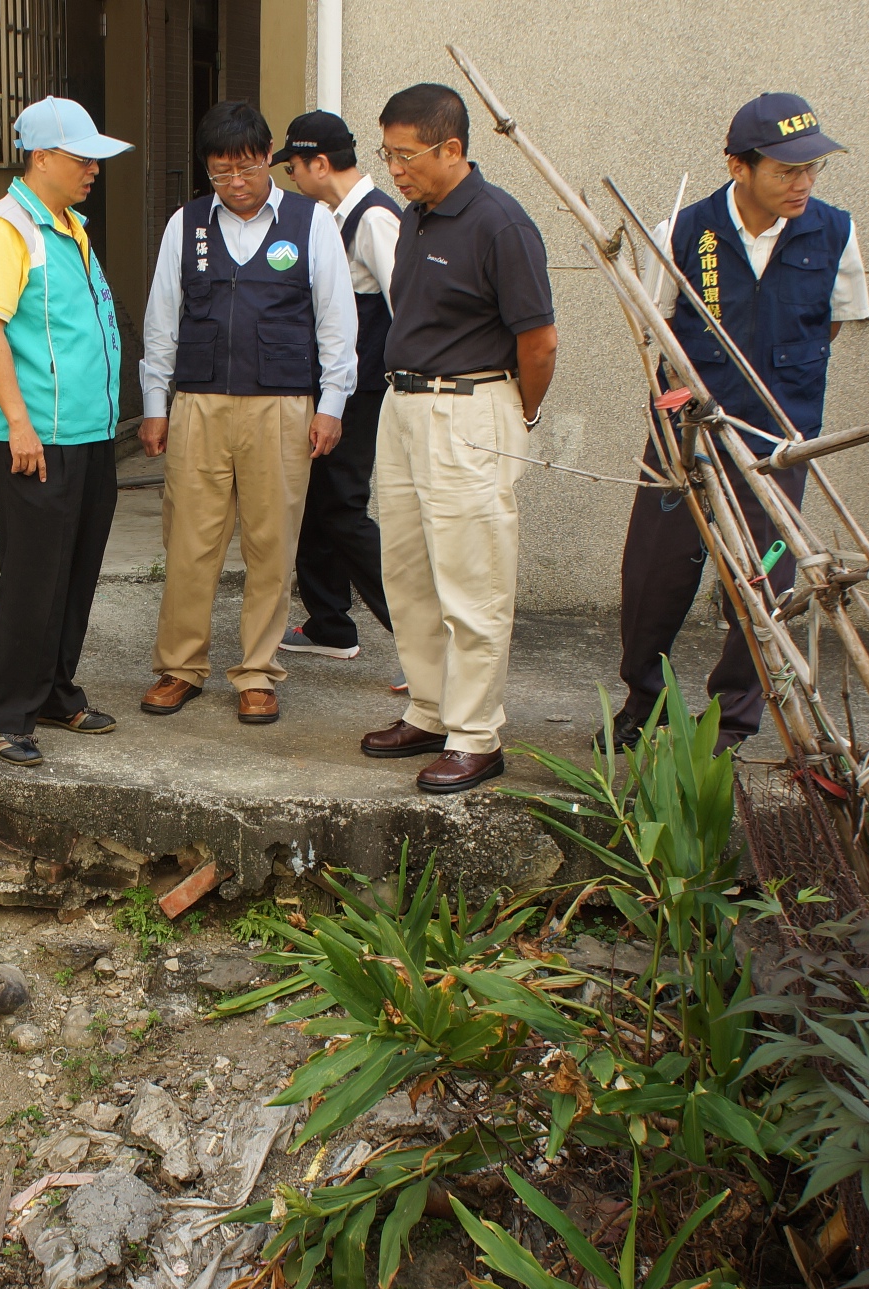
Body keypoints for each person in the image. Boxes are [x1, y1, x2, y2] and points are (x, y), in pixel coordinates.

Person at [612, 93, 869, 754]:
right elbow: (655, 325)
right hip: (685, 438)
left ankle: (731, 722)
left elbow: (834, 321)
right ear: (738, 166)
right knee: (654, 576)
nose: (804, 182)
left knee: (765, 582)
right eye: (787, 169)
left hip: (777, 445)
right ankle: (645, 701)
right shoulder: (685, 231)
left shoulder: (834, 231)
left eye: (812, 167)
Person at [355, 83, 557, 794]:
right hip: (404, 406)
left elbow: (539, 342)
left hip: (469, 408)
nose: (396, 168)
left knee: (473, 582)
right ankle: (431, 709)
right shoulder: (417, 217)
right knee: (408, 575)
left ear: (453, 148)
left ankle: (476, 734)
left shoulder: (500, 224)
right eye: (388, 154)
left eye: (406, 155)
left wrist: (516, 416)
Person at [137, 102, 356, 725]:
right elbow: (162, 323)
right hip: (200, 405)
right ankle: (180, 666)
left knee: (272, 544)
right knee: (189, 541)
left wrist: (331, 404)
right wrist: (156, 406)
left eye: (247, 166)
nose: (236, 181)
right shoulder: (185, 225)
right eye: (220, 170)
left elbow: (338, 323)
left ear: (270, 160)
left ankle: (257, 671)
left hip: (282, 405)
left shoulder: (311, 222)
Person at [0, 97, 131, 765]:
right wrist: (21, 424)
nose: (94, 168)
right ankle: (4, 712)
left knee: (75, 571)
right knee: (33, 578)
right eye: (81, 157)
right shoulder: (7, 229)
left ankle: (55, 690)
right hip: (36, 438)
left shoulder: (67, 224)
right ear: (41, 157)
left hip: (87, 433)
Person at [278, 110, 400, 671]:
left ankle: (417, 635)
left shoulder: (374, 220)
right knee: (317, 504)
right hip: (337, 389)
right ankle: (329, 622)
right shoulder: (336, 217)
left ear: (319, 164)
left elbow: (410, 312)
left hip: (362, 392)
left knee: (344, 509)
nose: (291, 181)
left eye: (294, 168)